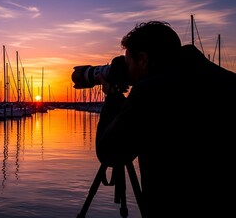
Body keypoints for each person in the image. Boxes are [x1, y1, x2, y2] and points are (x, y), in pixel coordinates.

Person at [95, 21, 236, 217]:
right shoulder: (227, 81)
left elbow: (110, 152)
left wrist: (112, 97)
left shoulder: (150, 91)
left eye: (129, 62)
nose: (128, 71)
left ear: (143, 59)